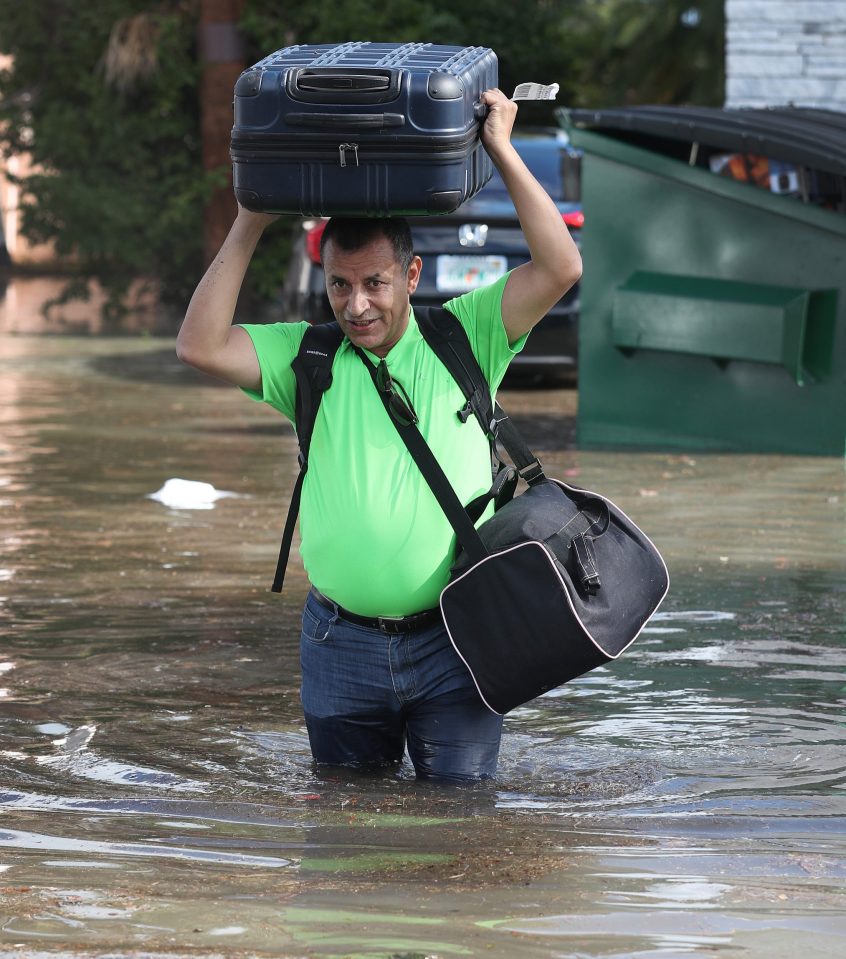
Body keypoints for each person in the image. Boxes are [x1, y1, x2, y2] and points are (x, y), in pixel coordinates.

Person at [176, 88, 582, 782]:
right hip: (340, 646)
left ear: (411, 274)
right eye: (339, 285)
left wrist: (504, 152)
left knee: (459, 832)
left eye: (375, 283)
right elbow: (199, 344)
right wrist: (250, 221)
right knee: (342, 832)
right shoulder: (306, 358)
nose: (356, 304)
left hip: (457, 639)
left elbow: (562, 268)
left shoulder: (467, 335)